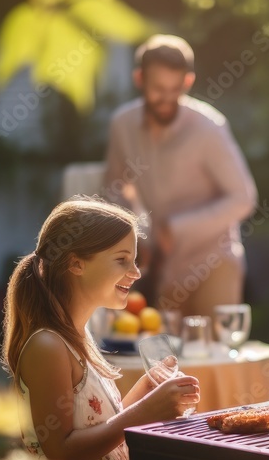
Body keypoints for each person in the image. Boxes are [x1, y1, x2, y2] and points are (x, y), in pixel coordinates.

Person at [1, 196, 200, 460]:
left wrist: (145, 391)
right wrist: (146, 413)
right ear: (76, 262)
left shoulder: (76, 336)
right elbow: (59, 448)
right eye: (122, 259)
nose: (137, 272)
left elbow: (93, 426)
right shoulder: (47, 345)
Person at [103, 34, 258, 319]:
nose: (167, 99)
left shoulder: (209, 128)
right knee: (170, 357)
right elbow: (115, 189)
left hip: (214, 262)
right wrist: (137, 236)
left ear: (187, 82)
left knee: (216, 355)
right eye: (158, 89)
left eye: (176, 89)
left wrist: (176, 228)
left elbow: (244, 198)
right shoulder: (121, 125)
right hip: (166, 266)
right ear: (139, 79)